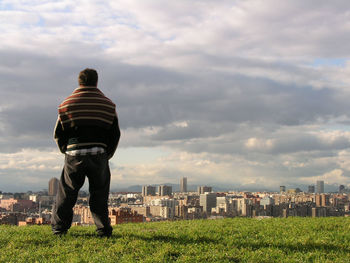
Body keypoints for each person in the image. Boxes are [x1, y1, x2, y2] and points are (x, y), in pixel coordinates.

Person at [51, 68, 120, 237]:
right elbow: (115, 133)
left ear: (79, 82)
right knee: (99, 193)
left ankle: (60, 229)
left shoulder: (66, 105)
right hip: (99, 154)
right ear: (96, 82)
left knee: (67, 192)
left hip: (74, 154)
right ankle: (103, 229)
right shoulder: (108, 105)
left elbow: (58, 133)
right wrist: (107, 153)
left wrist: (66, 150)